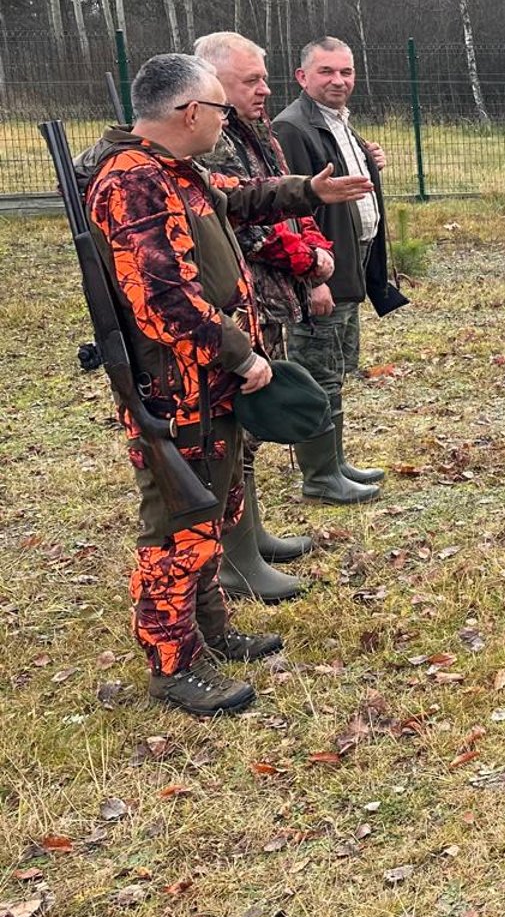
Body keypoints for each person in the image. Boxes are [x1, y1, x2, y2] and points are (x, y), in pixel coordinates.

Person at [86, 53, 370, 714]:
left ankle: (210, 629)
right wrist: (243, 355)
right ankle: (173, 663)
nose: (226, 118)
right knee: (178, 524)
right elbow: (165, 301)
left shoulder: (173, 172)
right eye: (218, 107)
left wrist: (309, 192)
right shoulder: (132, 185)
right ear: (190, 113)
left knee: (214, 506)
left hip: (208, 382)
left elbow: (236, 198)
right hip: (178, 387)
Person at [195, 32, 340, 603]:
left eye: (263, 77)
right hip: (236, 302)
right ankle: (238, 560)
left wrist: (311, 247)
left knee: (248, 434)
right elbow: (242, 220)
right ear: (211, 85)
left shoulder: (253, 132)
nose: (265, 88)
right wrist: (307, 259)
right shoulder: (208, 142)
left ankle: (251, 540)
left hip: (267, 301)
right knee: (238, 430)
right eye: (251, 80)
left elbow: (283, 196)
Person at [273, 38, 406, 500]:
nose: (339, 81)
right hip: (323, 274)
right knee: (316, 373)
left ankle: (335, 463)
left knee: (335, 369)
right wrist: (311, 278)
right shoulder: (291, 128)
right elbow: (288, 209)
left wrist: (370, 162)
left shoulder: (336, 123)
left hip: (350, 268)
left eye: (346, 72)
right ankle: (319, 478)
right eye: (327, 71)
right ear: (302, 76)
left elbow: (340, 188)